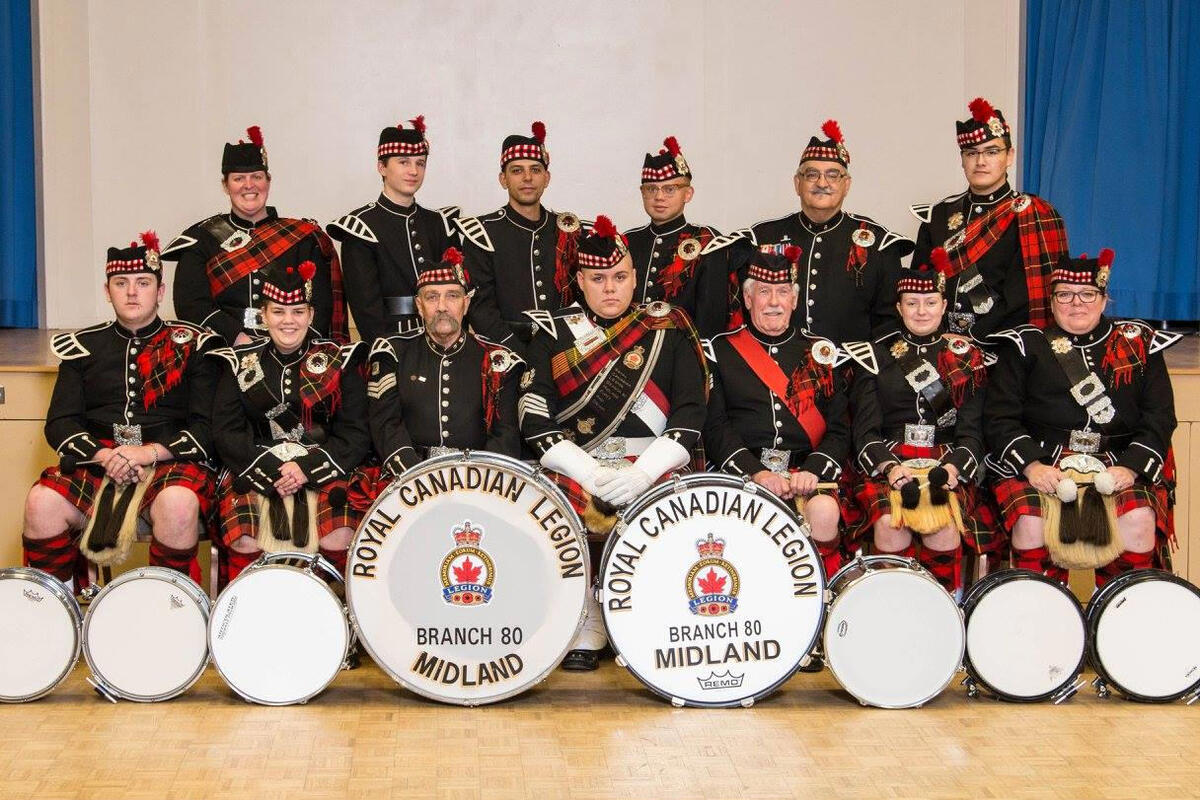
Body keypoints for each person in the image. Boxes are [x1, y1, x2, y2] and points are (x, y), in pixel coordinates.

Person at [518, 216, 708, 670]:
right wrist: (588, 472)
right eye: (598, 279)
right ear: (580, 281)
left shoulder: (668, 327)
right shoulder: (552, 332)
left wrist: (643, 473)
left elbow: (690, 414)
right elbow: (533, 416)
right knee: (550, 503)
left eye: (620, 277)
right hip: (578, 466)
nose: (610, 288)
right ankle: (585, 614)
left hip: (652, 463)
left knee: (674, 503)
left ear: (635, 277)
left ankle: (653, 613)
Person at [22, 232, 219, 590]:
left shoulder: (195, 344)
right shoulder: (83, 346)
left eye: (143, 283)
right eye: (121, 283)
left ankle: (168, 605)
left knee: (178, 503)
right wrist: (105, 456)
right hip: (100, 464)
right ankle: (59, 606)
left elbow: (205, 428)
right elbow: (61, 423)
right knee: (41, 501)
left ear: (160, 291)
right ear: (107, 290)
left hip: (168, 464)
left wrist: (147, 453)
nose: (131, 292)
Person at [985, 249, 1179, 586]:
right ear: (1052, 301)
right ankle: (1039, 609)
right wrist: (1032, 467)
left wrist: (1130, 468)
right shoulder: (1025, 345)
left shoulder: (1138, 344)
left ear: (1104, 299)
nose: (1076, 303)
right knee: (1030, 522)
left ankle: (1119, 609)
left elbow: (1159, 417)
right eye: (1065, 294)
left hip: (1118, 460)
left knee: (1137, 519)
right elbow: (1000, 418)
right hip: (1046, 461)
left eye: (1087, 294)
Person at [847, 248, 1000, 595]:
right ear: (899, 307)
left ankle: (942, 603)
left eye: (930, 303)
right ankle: (891, 602)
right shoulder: (875, 355)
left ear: (944, 306)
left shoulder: (968, 357)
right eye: (912, 303)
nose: (921, 311)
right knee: (890, 524)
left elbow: (972, 433)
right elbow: (866, 431)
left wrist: (953, 469)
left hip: (945, 459)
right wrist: (888, 468)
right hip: (891, 457)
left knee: (943, 525)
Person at [210, 259, 369, 582]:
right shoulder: (239, 362)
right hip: (254, 466)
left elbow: (355, 433)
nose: (288, 321)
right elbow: (226, 432)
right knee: (244, 536)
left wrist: (305, 469)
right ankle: (248, 604)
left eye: (298, 311)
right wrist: (273, 469)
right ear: (264, 315)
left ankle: (328, 606)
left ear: (310, 315)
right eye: (278, 312)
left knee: (338, 534)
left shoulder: (341, 359)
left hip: (324, 466)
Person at [704, 246, 851, 583]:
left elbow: (840, 428)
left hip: (805, 471)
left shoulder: (820, 352)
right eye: (764, 292)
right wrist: (755, 472)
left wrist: (813, 470)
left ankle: (820, 596)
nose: (774, 302)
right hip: (744, 471)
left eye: (783, 292)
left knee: (824, 511)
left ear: (794, 300)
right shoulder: (720, 350)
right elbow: (715, 426)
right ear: (747, 298)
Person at [356, 247, 521, 504]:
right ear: (419, 306)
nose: (442, 307)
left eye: (452, 296)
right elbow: (386, 425)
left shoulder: (497, 360)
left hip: (479, 481)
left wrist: (477, 484)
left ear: (466, 304)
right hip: (408, 478)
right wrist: (418, 479)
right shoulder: (392, 352)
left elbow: (506, 434)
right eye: (432, 297)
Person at [164, 125, 348, 344]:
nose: (248, 185)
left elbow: (320, 305)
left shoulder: (304, 238)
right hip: (224, 350)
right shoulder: (201, 239)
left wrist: (293, 348)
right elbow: (191, 305)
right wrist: (237, 337)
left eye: (257, 177)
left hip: (294, 350)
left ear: (268, 181)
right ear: (225, 185)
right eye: (238, 178)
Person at [910, 97, 1068, 339]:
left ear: (1010, 156)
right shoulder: (938, 215)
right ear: (962, 159)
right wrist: (939, 337)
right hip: (941, 341)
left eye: (992, 152)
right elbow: (919, 286)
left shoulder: (1031, 214)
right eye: (971, 153)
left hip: (1004, 344)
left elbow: (1023, 298)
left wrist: (973, 339)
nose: (980, 161)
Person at [747, 120, 911, 343]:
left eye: (833, 175)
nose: (822, 183)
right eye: (811, 174)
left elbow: (890, 324)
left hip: (850, 364)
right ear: (797, 183)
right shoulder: (762, 237)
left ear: (847, 185)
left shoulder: (879, 243)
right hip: (777, 363)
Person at [327, 115, 462, 343]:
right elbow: (366, 311)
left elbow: (458, 294)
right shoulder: (361, 227)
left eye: (420, 163)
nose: (414, 171)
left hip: (444, 339)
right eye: (403, 162)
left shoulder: (440, 223)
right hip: (392, 341)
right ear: (382, 167)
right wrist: (389, 351)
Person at [459, 121, 586, 357]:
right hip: (505, 351)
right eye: (517, 170)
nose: (527, 178)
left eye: (535, 170)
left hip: (564, 351)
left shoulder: (570, 231)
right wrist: (517, 351)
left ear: (546, 178)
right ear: (503, 179)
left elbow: (585, 296)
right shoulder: (482, 233)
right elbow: (480, 308)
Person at [623, 136, 739, 339]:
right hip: (628, 348)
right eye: (651, 189)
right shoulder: (628, 241)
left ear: (688, 194)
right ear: (642, 193)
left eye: (670, 189)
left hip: (684, 349)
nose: (659, 197)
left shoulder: (707, 242)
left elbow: (711, 320)